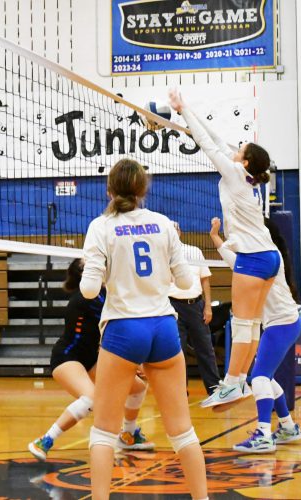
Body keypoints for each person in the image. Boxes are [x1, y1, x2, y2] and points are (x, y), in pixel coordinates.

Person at [80, 158, 208, 500]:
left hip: (124, 330)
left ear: (109, 189)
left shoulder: (101, 227)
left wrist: (101, 272)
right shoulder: (164, 224)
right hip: (163, 327)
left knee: (104, 434)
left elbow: (89, 291)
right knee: (182, 432)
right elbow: (187, 282)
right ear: (142, 190)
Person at [169, 89, 278, 409]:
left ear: (244, 161)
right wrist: (188, 113)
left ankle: (231, 384)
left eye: (240, 149)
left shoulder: (233, 172)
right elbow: (217, 138)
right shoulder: (256, 179)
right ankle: (241, 380)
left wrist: (183, 107)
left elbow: (207, 143)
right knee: (253, 323)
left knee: (244, 324)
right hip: (268, 257)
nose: (234, 150)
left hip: (253, 259)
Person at [28, 258, 154, 461]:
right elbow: (116, 328)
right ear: (85, 274)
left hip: (91, 358)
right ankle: (45, 440)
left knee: (137, 387)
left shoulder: (104, 294)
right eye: (90, 263)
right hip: (67, 358)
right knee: (91, 398)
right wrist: (138, 361)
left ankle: (129, 434)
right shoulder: (86, 299)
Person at [210, 217, 301, 453]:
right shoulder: (266, 257)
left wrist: (228, 239)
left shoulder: (267, 257)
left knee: (259, 377)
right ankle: (288, 427)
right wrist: (216, 238)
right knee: (267, 377)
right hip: (285, 323)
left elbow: (237, 260)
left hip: (280, 324)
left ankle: (263, 434)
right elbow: (234, 262)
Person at [168, 221, 221, 395]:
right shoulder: (163, 255)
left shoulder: (194, 251)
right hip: (173, 306)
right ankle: (180, 389)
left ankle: (214, 388)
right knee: (177, 350)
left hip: (196, 305)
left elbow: (205, 279)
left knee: (205, 347)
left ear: (180, 232)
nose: (173, 233)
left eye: (175, 229)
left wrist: (208, 307)